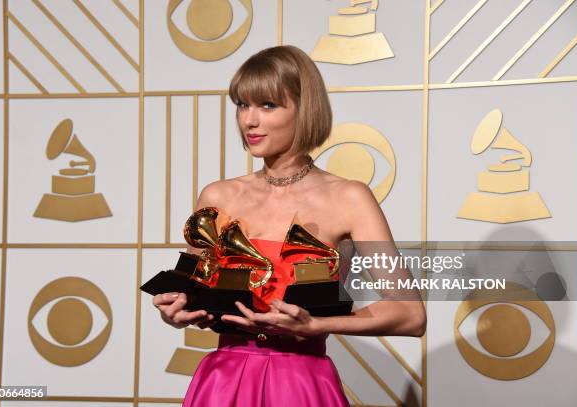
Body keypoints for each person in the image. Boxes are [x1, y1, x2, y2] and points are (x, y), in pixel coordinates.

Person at [153, 45, 426, 407]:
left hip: (299, 384)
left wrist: (316, 326)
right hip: (222, 385)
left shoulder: (348, 198)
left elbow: (410, 314)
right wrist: (178, 307)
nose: (249, 120)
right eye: (242, 104)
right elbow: (192, 288)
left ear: (304, 108)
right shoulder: (217, 195)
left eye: (267, 105)